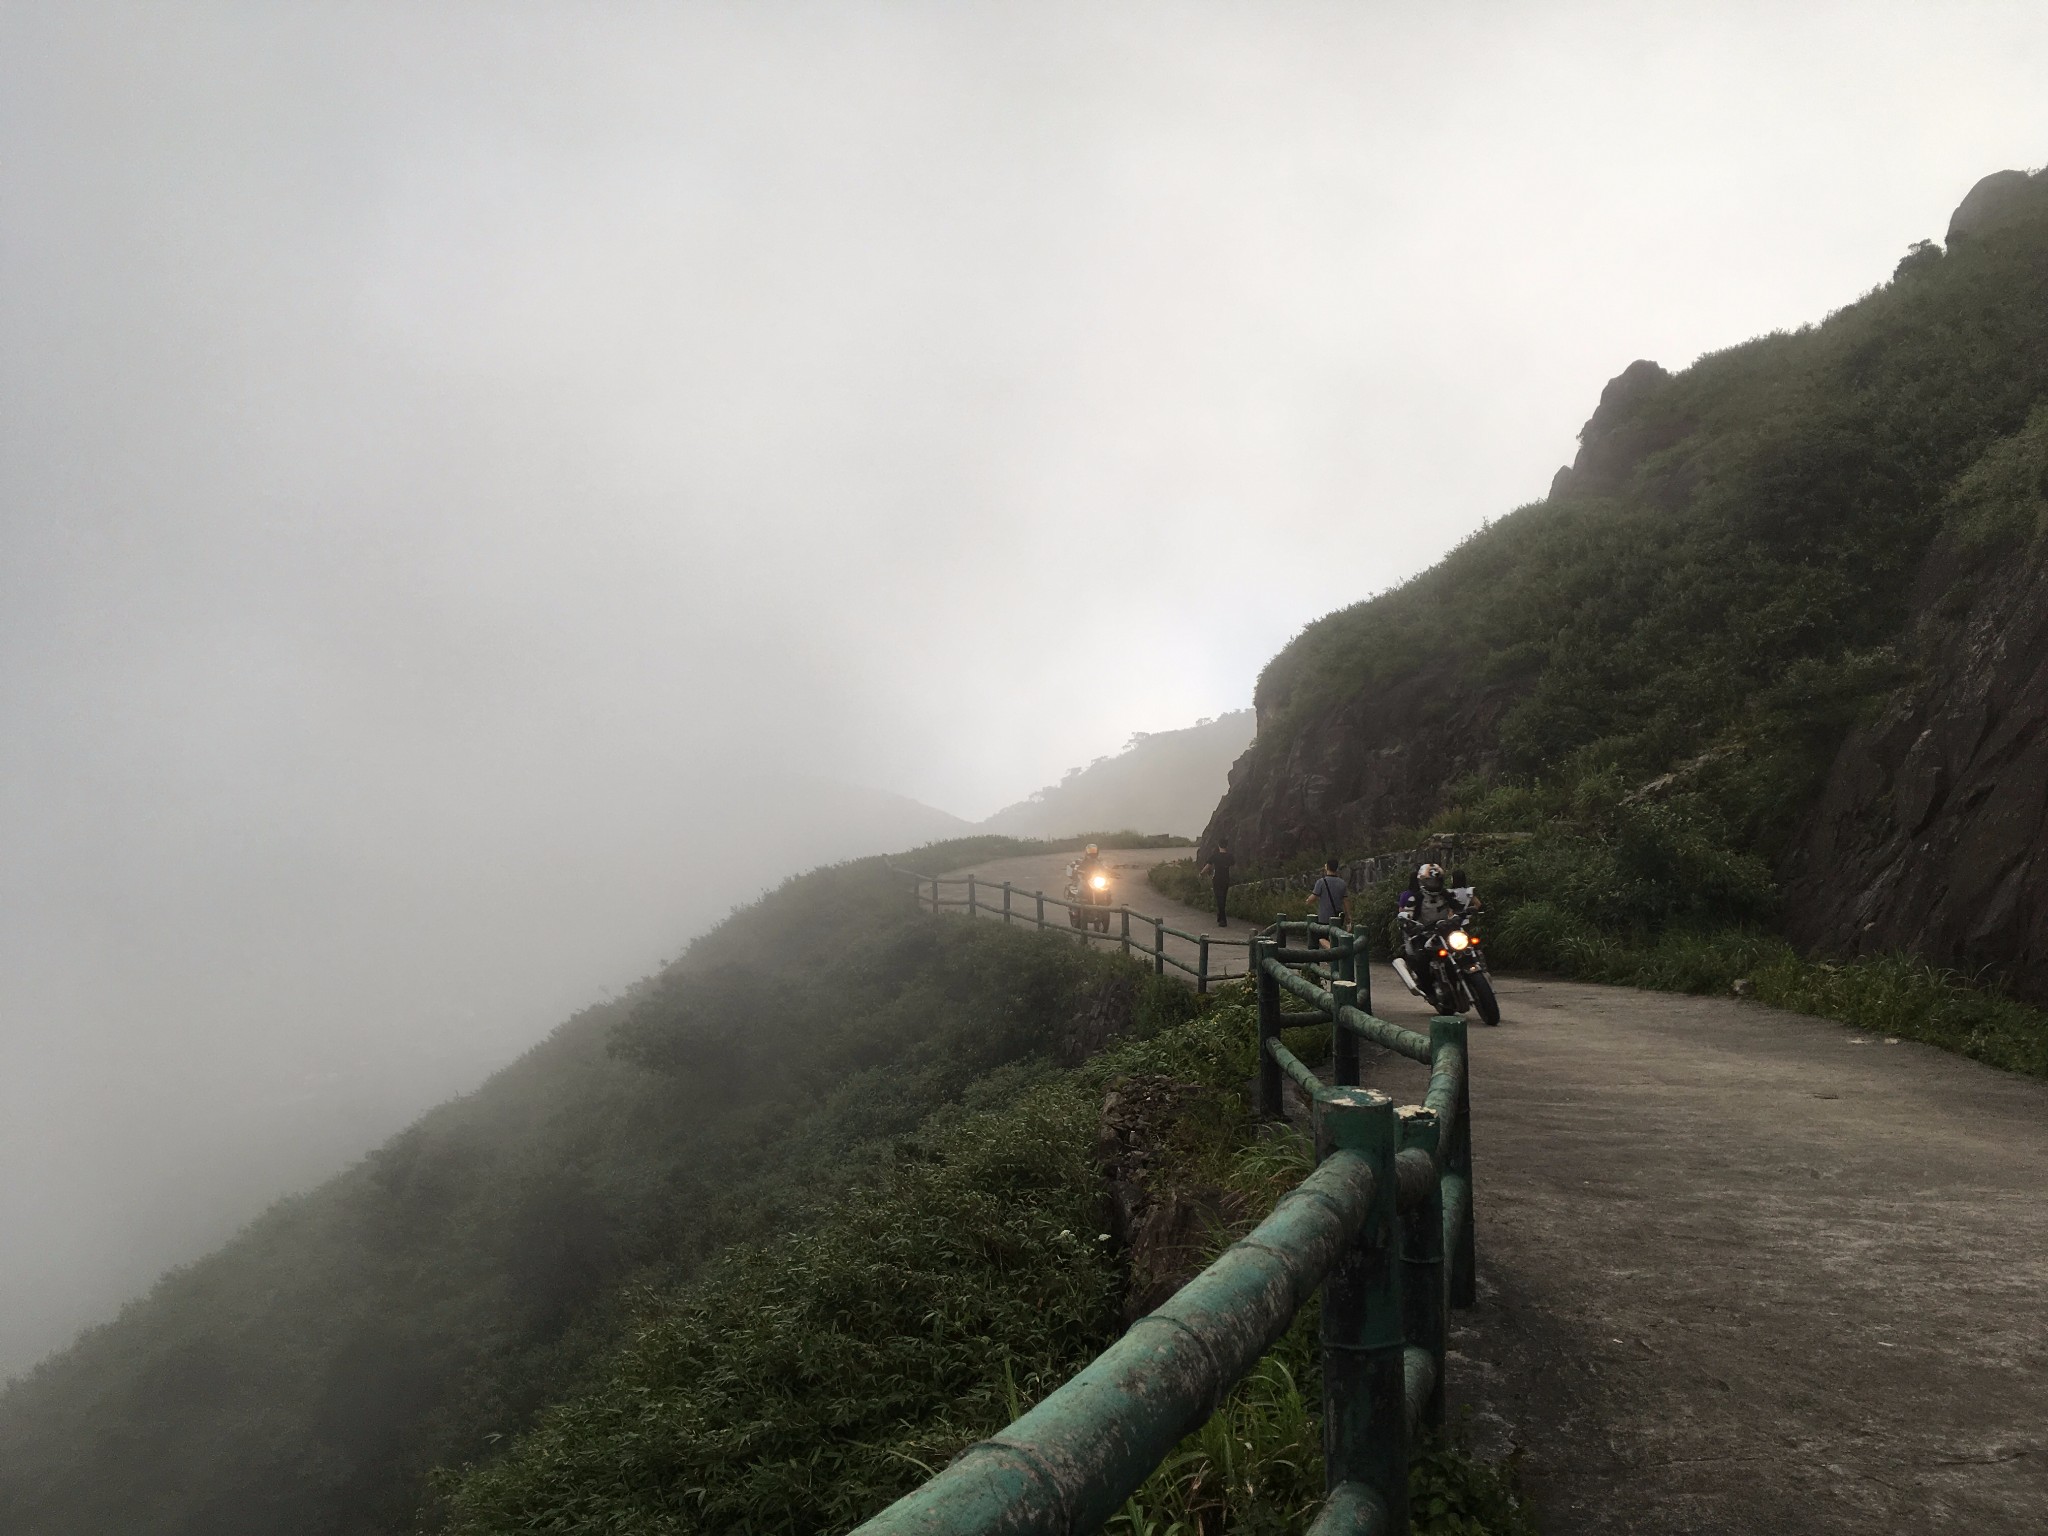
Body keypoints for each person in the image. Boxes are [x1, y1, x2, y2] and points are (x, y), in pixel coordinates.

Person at [1396, 863, 1470, 981]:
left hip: (1445, 929)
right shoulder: (1416, 898)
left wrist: (1465, 911)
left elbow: (1457, 906)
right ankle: (1429, 988)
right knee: (1421, 960)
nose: (1434, 884)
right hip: (1425, 933)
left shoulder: (1446, 894)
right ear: (1422, 881)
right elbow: (1409, 913)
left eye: (1436, 881)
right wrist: (1409, 923)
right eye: (1430, 881)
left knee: (1467, 949)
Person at [1310, 858, 1349, 946]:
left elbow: (1313, 897)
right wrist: (1348, 917)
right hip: (1338, 916)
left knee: (1321, 938)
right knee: (1334, 938)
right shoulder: (1342, 883)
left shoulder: (1321, 882)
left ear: (1327, 867)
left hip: (1324, 917)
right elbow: (1346, 901)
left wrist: (1307, 901)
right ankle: (1333, 957)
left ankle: (1334, 952)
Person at [1199, 840, 1234, 927]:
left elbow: (1208, 866)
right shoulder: (1230, 856)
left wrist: (1201, 873)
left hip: (1217, 879)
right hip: (1226, 879)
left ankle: (1223, 919)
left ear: (1219, 845)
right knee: (1223, 898)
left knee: (1219, 898)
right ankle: (1220, 915)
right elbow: (1232, 865)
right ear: (1226, 846)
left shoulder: (1215, 856)